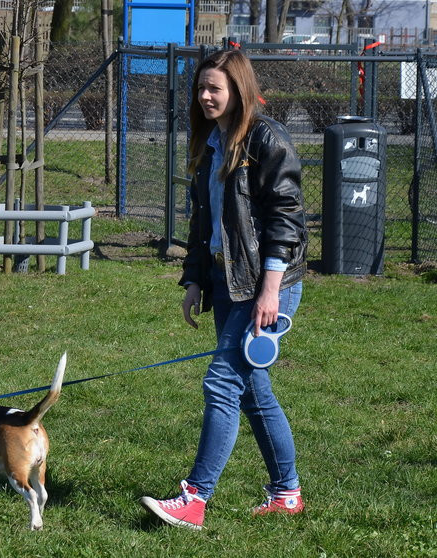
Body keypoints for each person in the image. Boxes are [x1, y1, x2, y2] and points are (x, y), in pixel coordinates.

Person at [139, 49, 308, 530]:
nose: (205, 96)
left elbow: (286, 221)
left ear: (238, 88)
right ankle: (287, 493)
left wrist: (270, 291)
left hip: (266, 282)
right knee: (252, 391)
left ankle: (195, 498)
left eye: (214, 88)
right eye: (200, 88)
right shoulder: (210, 141)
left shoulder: (266, 138)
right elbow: (204, 221)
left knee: (222, 382)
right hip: (225, 278)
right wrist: (194, 278)